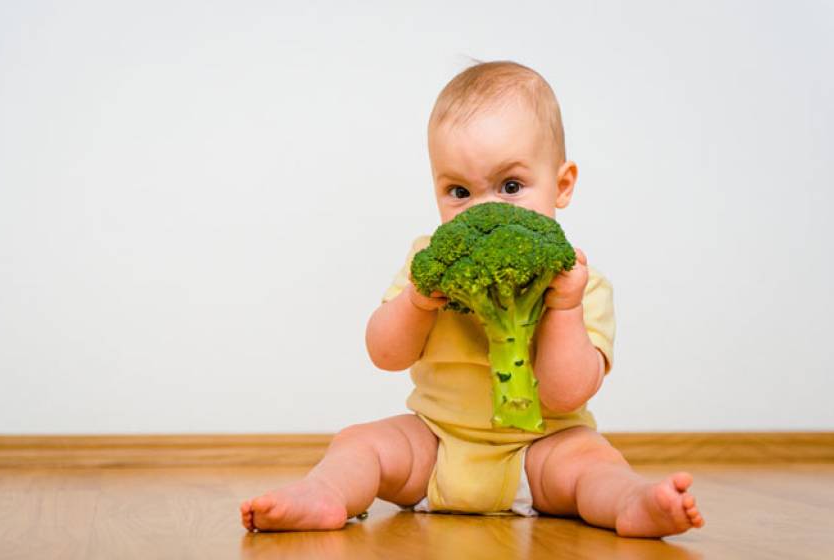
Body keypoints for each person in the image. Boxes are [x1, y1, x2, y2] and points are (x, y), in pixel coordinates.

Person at [240, 60, 704, 537]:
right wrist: (416, 303)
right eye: (459, 191)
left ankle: (633, 503)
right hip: (437, 443)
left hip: (541, 449)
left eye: (510, 187)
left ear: (562, 185)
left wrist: (563, 308)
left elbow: (569, 393)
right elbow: (384, 353)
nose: (484, 210)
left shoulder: (581, 282)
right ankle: (325, 494)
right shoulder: (428, 264)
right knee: (361, 443)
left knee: (593, 463)